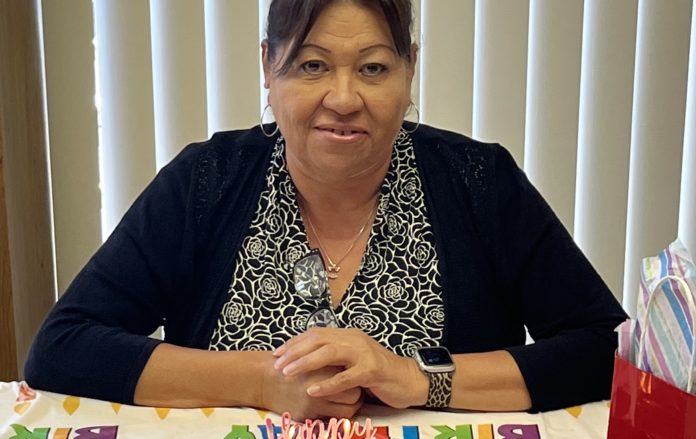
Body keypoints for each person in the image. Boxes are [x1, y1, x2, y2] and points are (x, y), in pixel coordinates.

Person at [25, 0, 627, 421]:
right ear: (268, 67)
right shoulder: (205, 182)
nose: (343, 98)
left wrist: (418, 379)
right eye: (312, 65)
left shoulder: (480, 183)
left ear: (409, 68)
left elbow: (606, 348)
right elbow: (64, 348)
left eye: (373, 67)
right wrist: (263, 382)